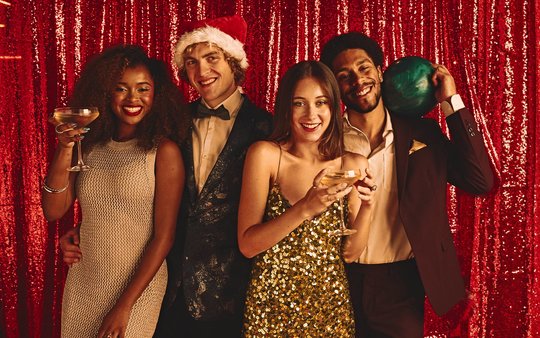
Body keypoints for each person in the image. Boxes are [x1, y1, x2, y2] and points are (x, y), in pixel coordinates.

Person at [320, 32, 495, 337]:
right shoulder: (324, 140)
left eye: (364, 69)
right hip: (335, 279)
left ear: (380, 71)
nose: (358, 81)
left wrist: (451, 103)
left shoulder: (423, 133)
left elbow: (480, 181)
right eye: (344, 75)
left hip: (400, 283)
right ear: (334, 87)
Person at [43, 45, 188, 337]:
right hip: (86, 281)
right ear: (106, 93)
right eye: (121, 89)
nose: (133, 99)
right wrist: (65, 147)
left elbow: (164, 237)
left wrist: (123, 307)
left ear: (156, 93)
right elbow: (53, 210)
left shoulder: (164, 151)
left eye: (142, 88)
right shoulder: (90, 146)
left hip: (137, 289)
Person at [152, 15, 273, 338]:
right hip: (171, 289)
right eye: (191, 62)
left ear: (233, 61)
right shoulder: (172, 123)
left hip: (236, 293)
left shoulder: (268, 128)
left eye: (211, 58)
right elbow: (143, 190)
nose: (201, 71)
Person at [238, 61, 376, 337]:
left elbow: (350, 254)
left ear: (333, 107)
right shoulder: (266, 155)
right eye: (299, 103)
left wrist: (369, 206)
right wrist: (305, 207)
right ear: (286, 108)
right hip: (269, 311)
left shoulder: (351, 164)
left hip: (330, 310)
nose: (311, 114)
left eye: (321, 102)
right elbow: (248, 245)